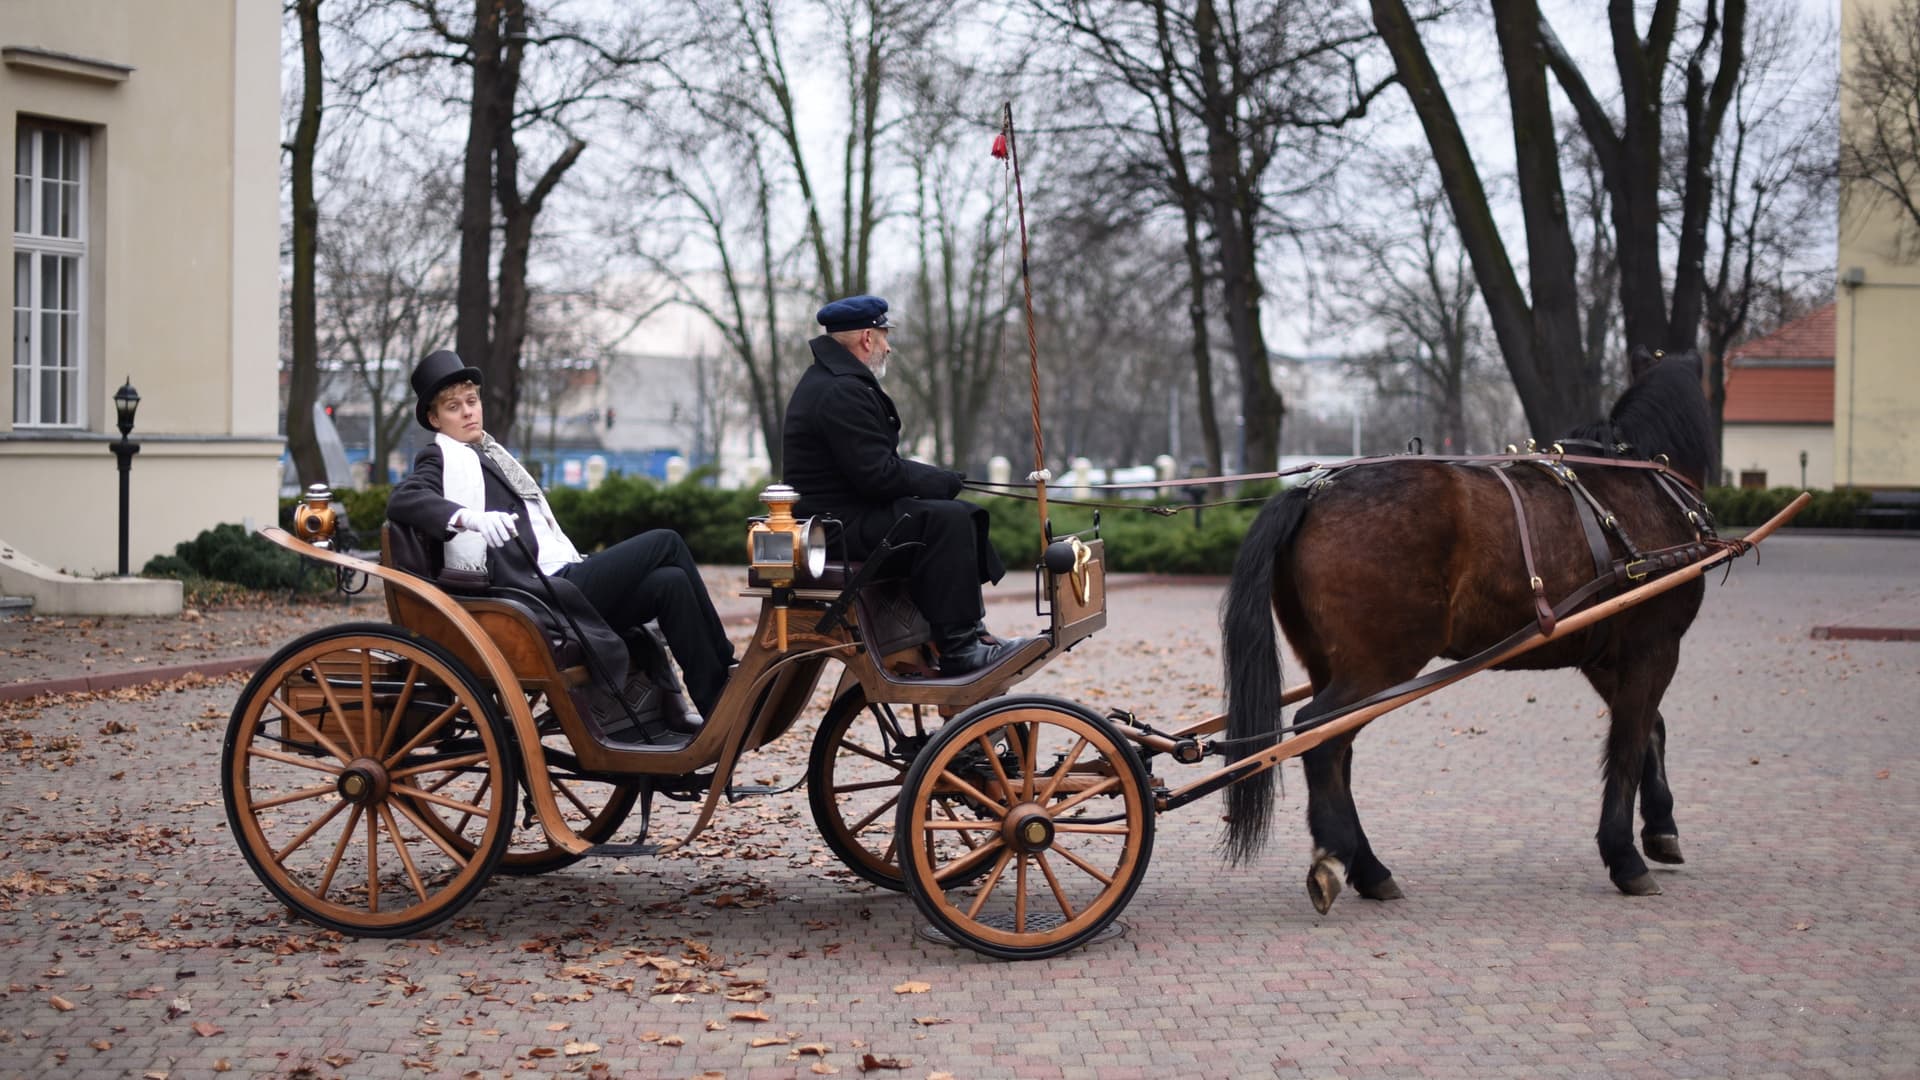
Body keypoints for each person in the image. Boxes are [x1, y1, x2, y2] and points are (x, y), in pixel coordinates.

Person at [388, 350, 737, 720]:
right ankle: (729, 664)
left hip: (565, 575)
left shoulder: (490, 454)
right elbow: (404, 498)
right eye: (453, 407)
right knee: (666, 542)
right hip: (541, 592)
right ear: (434, 418)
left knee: (670, 582)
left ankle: (716, 700)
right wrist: (468, 518)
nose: (468, 412)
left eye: (471, 402)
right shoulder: (440, 457)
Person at [782, 295, 1030, 676]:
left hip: (847, 515)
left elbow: (876, 469)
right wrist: (940, 481)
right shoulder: (840, 390)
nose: (888, 345)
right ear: (867, 338)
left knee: (958, 514)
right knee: (945, 520)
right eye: (884, 336)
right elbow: (878, 476)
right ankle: (960, 648)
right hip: (836, 528)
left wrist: (941, 481)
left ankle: (968, 633)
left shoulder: (837, 383)